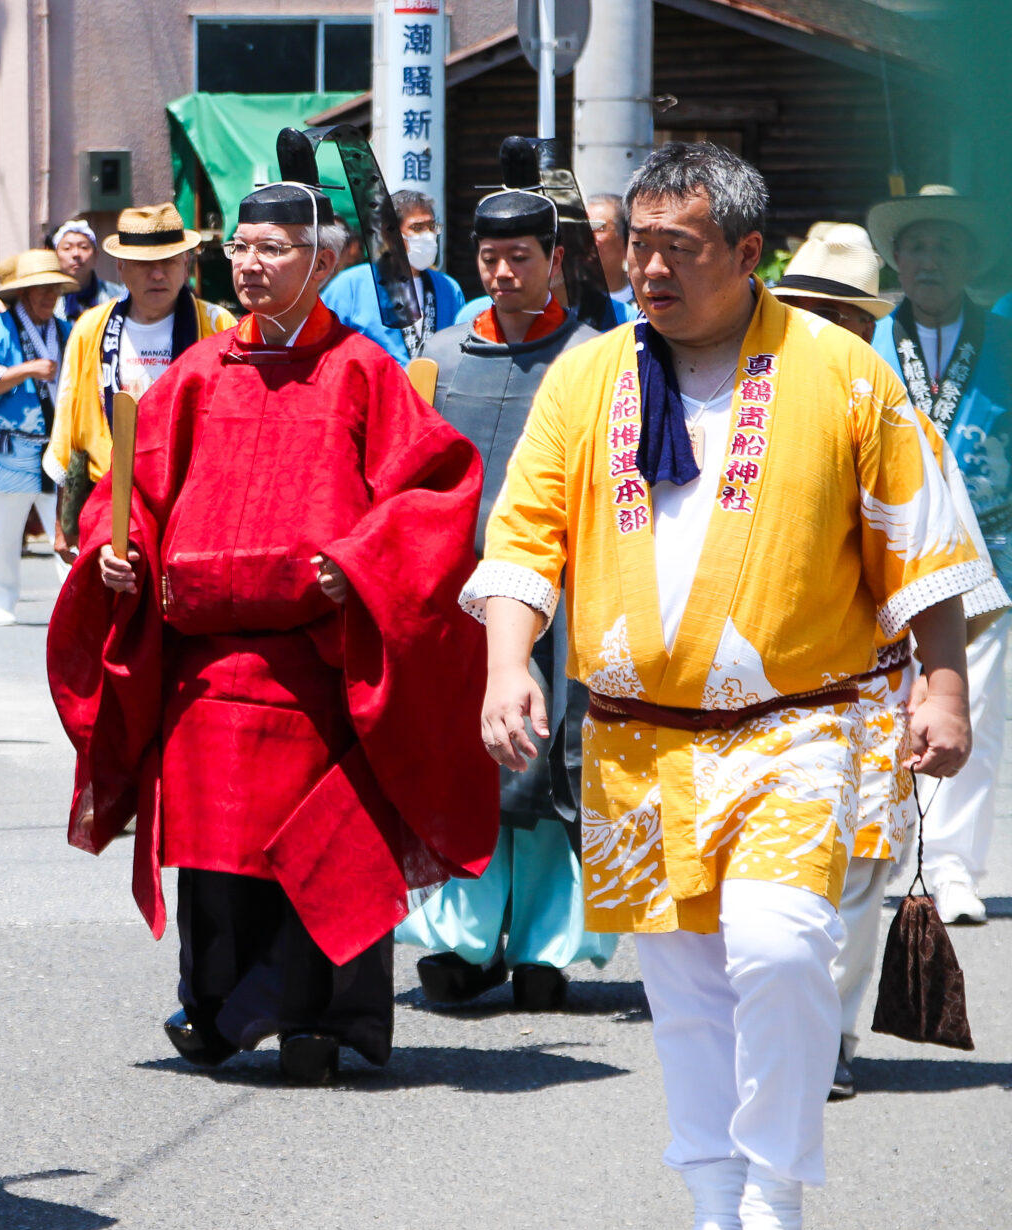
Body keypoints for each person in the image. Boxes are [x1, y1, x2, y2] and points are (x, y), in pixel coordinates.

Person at [469, 144, 983, 1230]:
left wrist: (941, 686)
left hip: (799, 725)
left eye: (677, 249)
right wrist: (509, 661)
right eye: (635, 245)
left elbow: (924, 537)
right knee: (685, 988)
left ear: (749, 254)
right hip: (635, 739)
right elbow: (523, 536)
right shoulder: (589, 375)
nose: (648, 270)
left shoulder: (843, 374)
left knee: (779, 949)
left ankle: (776, 1210)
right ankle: (711, 1216)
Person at [47, 142, 495, 1085]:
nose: (249, 264)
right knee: (214, 854)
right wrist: (115, 551)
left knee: (325, 840)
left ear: (321, 261)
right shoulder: (200, 373)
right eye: (242, 248)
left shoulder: (364, 371)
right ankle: (216, 1012)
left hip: (316, 658)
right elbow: (129, 494)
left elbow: (435, 490)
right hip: (209, 662)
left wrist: (360, 561)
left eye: (273, 249)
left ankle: (326, 1021)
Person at [765, 223, 1005, 1100]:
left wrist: (935, 694)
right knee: (769, 879)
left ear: (867, 327)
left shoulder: (908, 431)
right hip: (755, 699)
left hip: (870, 697)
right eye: (802, 309)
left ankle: (824, 1041)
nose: (817, 327)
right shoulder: (736, 419)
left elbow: (963, 591)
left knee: (858, 877)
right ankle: (768, 1033)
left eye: (838, 314)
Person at [398, 184, 617, 1010]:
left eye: (518, 258)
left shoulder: (601, 354)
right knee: (469, 763)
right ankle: (460, 936)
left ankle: (546, 946)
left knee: (555, 766)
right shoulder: (442, 354)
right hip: (463, 600)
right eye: (487, 259)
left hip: (570, 590)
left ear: (556, 260)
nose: (500, 274)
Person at [867, 185, 1012, 928]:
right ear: (897, 259)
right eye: (918, 246)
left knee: (976, 708)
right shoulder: (862, 349)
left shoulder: (1009, 344)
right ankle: (893, 848)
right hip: (887, 557)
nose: (929, 260)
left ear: (969, 261)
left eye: (946, 248)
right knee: (887, 706)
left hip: (988, 554)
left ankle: (953, 864)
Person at [40, 204, 233, 560]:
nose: (157, 274)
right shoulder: (90, 329)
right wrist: (63, 523)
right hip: (111, 498)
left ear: (186, 265)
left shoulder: (217, 324)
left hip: (191, 496)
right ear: (121, 268)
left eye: (169, 262)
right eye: (144, 264)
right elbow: (69, 423)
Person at [0, 249, 76, 625]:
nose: (49, 296)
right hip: (13, 444)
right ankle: (2, 598)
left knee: (68, 530)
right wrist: (27, 369)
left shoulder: (67, 331)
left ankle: (73, 604)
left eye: (54, 289)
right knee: (3, 532)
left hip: (60, 446)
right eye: (40, 289)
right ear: (23, 292)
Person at [321, 187, 464, 364]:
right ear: (388, 234)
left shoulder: (448, 288)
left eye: (432, 227)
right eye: (417, 228)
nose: (428, 236)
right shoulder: (351, 285)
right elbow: (323, 346)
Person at [51, 218, 124, 327]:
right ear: (55, 256)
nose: (76, 254)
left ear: (96, 255)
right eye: (67, 248)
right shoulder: (49, 300)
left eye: (83, 247)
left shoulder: (117, 295)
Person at [589, 191, 639, 322]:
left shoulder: (645, 299)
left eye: (599, 228)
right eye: (584, 227)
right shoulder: (568, 300)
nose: (588, 237)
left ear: (626, 239)